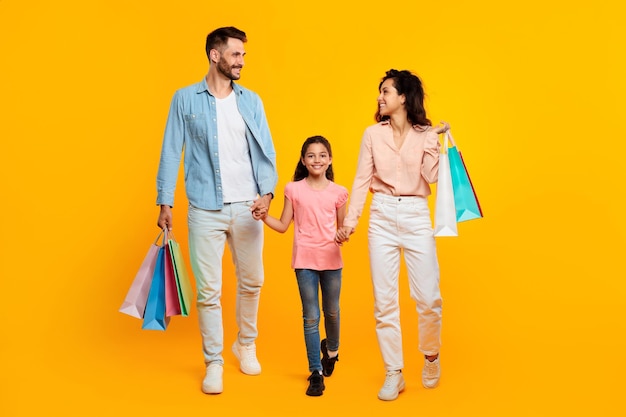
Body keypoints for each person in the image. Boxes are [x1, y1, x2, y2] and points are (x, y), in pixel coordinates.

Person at [155, 26, 278, 395]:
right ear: (215, 55)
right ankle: (214, 362)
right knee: (209, 291)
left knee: (252, 281)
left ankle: (246, 343)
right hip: (204, 208)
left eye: (243, 55)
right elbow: (170, 150)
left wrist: (267, 195)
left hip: (247, 207)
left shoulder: (251, 101)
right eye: (236, 54)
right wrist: (165, 201)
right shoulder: (184, 99)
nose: (241, 61)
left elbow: (266, 151)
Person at [336, 69, 450, 401]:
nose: (379, 97)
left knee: (429, 298)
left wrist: (435, 141)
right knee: (384, 302)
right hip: (382, 216)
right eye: (380, 91)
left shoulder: (425, 133)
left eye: (386, 91)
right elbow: (360, 180)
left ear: (403, 97)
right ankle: (393, 372)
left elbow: (433, 176)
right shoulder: (372, 134)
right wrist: (350, 221)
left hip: (415, 215)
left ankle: (430, 355)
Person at [255, 136, 348, 397]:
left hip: (331, 261)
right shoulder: (293, 189)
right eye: (311, 155)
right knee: (310, 317)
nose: (316, 160)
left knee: (331, 312)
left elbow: (343, 228)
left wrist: (343, 235)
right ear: (303, 160)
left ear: (329, 159)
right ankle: (315, 372)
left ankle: (332, 351)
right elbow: (284, 225)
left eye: (321, 155)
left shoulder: (339, 192)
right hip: (304, 262)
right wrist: (264, 217)